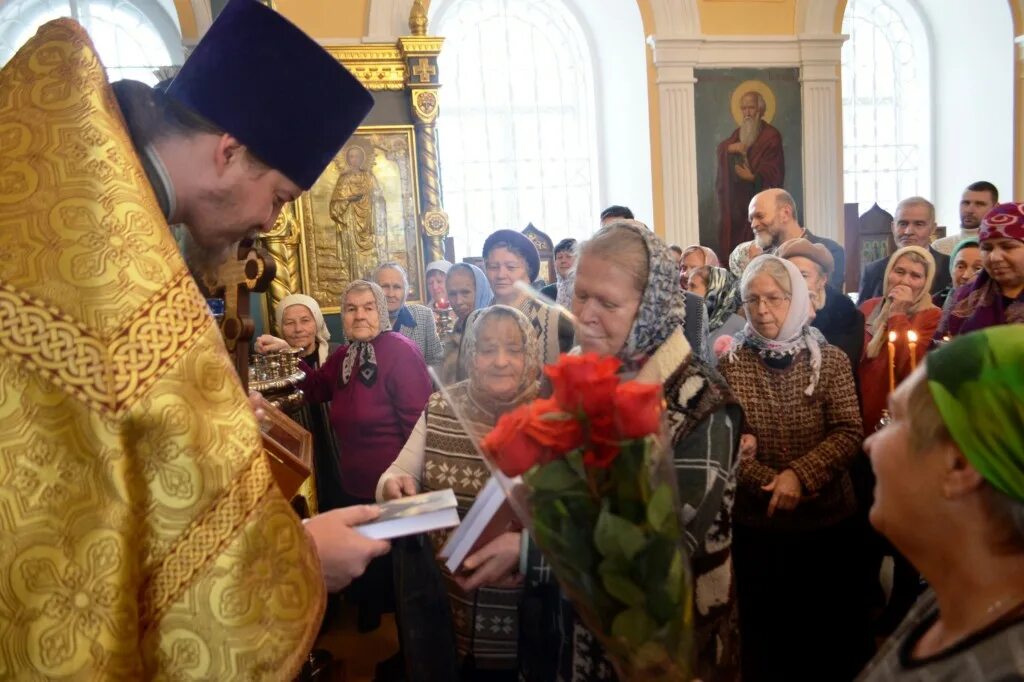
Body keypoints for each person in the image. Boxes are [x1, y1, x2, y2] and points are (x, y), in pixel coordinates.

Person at [0, 2, 390, 677]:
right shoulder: (96, 246)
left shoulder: (116, 211)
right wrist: (297, 560)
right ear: (229, 152)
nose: (271, 221)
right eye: (280, 196)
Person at [526, 219, 743, 682]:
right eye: (580, 294)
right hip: (583, 635)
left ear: (652, 308)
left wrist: (529, 551)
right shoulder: (581, 381)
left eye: (607, 302)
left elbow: (659, 550)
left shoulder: (702, 401)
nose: (585, 315)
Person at [719, 255, 871, 682]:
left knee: (826, 638)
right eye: (752, 300)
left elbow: (847, 431)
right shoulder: (730, 364)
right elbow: (725, 444)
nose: (763, 310)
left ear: (798, 300)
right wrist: (770, 482)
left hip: (826, 523)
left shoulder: (830, 359)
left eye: (775, 298)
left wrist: (798, 476)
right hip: (758, 524)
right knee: (767, 640)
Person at [258, 280, 432, 634]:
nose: (359, 315)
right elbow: (315, 387)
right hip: (355, 486)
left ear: (381, 311)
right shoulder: (345, 355)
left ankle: (410, 664)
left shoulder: (400, 350)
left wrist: (413, 483)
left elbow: (421, 422)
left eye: (368, 307)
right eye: (351, 308)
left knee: (407, 592)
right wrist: (287, 353)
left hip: (396, 488)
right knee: (378, 584)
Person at [378, 306, 542, 680]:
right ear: (471, 353)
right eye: (487, 349)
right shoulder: (442, 404)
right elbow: (398, 475)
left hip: (529, 616)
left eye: (514, 349)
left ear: (531, 352)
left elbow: (580, 518)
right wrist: (391, 488)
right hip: (444, 604)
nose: (501, 361)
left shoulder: (554, 414)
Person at [858, 325, 1024, 681]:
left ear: (959, 465)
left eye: (896, 419)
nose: (870, 445)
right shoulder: (955, 599)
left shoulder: (1003, 668)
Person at [460, 230, 574, 378]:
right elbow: (464, 379)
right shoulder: (473, 320)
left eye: (511, 267)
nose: (501, 275)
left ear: (529, 272)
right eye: (493, 267)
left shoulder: (556, 322)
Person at [274, 294, 346, 511]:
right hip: (300, 457)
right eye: (289, 322)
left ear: (317, 322)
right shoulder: (274, 364)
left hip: (341, 454)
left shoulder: (336, 354)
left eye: (305, 320)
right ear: (280, 328)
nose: (298, 329)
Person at [858, 246, 940, 434]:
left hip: (899, 420)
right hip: (859, 413)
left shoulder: (933, 317)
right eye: (899, 271)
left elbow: (911, 367)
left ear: (926, 282)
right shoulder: (869, 307)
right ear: (888, 273)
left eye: (915, 276)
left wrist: (897, 313)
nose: (904, 281)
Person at [937, 202, 1024, 338]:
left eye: (1007, 247)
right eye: (987, 248)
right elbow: (940, 351)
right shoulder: (962, 298)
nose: (994, 257)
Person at [777, 238, 865, 373]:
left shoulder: (844, 313)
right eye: (788, 275)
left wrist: (802, 327)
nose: (794, 282)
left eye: (803, 275)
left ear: (822, 280)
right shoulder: (772, 309)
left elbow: (838, 367)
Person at [715, 91, 785, 258]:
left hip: (760, 203)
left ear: (760, 109)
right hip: (738, 205)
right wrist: (729, 149)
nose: (747, 112)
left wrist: (753, 178)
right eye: (743, 108)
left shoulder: (771, 136)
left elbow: (774, 172)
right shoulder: (739, 133)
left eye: (751, 108)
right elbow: (723, 147)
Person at [748, 188, 846, 291]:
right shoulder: (762, 260)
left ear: (785, 213)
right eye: (751, 219)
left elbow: (826, 301)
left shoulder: (831, 251)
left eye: (760, 216)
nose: (753, 224)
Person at [858, 197, 951, 302]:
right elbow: (862, 316)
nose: (908, 231)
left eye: (918, 224)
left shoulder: (949, 267)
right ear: (893, 227)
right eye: (903, 224)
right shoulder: (873, 271)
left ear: (933, 228)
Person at [372, 261, 445, 369]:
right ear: (373, 290)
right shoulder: (362, 321)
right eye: (385, 286)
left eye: (397, 287)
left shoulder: (424, 316)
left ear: (406, 291)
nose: (391, 294)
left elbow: (436, 361)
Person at [440, 262, 493, 384]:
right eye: (453, 294)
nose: (458, 301)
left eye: (465, 293)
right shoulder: (457, 329)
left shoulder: (494, 330)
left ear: (480, 290)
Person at [931, 181, 999, 256]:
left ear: (995, 208)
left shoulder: (1002, 247)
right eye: (966, 203)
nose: (969, 210)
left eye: (979, 204)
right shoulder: (939, 247)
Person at [689, 265, 745, 345]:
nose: (687, 292)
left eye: (692, 286)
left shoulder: (738, 328)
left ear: (714, 291)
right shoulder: (695, 322)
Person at [932, 238, 982, 307]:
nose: (966, 276)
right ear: (951, 269)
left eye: (978, 268)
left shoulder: (997, 308)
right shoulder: (935, 304)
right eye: (960, 267)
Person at [540, 237, 578, 308]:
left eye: (568, 256)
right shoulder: (545, 293)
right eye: (559, 257)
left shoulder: (586, 292)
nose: (563, 261)